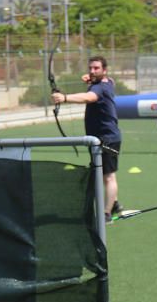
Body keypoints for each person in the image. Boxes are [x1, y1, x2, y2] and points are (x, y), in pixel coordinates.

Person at [51, 56, 123, 222]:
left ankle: (106, 214)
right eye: (90, 68)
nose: (92, 71)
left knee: (108, 176)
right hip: (98, 138)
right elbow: (102, 84)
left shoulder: (101, 87)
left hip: (108, 138)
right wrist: (90, 80)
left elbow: (89, 97)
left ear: (104, 70)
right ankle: (116, 204)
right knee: (104, 174)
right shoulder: (106, 82)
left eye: (96, 68)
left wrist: (65, 98)